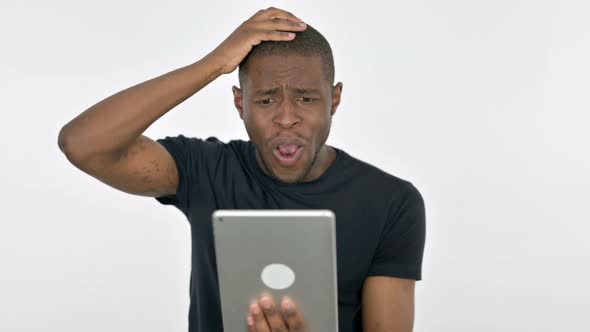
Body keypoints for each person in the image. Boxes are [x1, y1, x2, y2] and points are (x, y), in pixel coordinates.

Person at [58, 7, 426, 332]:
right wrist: (215, 63)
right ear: (240, 103)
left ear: (335, 99)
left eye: (306, 98)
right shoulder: (204, 170)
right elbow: (83, 143)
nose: (286, 118)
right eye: (266, 99)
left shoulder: (392, 201)